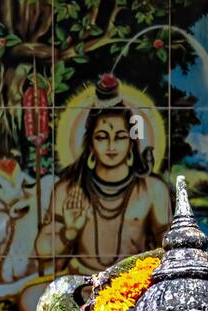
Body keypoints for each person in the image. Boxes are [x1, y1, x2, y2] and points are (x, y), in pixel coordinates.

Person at [36, 92, 171, 275]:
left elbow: (171, 244)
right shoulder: (68, 190)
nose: (111, 146)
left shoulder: (153, 189)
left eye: (120, 137)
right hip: (82, 283)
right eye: (102, 136)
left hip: (133, 285)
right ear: (90, 144)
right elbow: (42, 249)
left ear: (132, 144)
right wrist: (70, 232)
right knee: (29, 298)